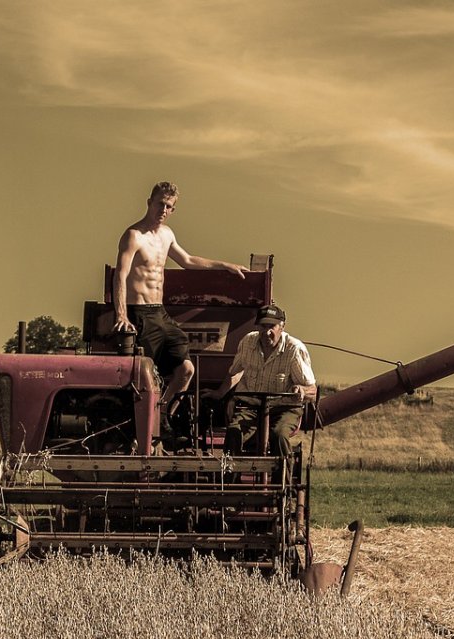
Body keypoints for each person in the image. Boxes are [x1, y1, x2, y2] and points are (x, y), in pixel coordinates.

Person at [113, 182, 246, 429]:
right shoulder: (133, 236)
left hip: (159, 312)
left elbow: (187, 260)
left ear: (173, 210)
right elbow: (120, 275)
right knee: (145, 377)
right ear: (149, 202)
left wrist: (224, 265)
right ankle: (142, 425)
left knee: (186, 369)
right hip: (138, 312)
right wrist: (122, 314)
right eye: (160, 204)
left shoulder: (167, 235)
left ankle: (161, 413)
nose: (163, 210)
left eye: (169, 206)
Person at [208, 304, 316, 459]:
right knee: (233, 433)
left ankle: (282, 480)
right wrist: (219, 393)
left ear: (282, 327)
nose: (267, 332)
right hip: (250, 407)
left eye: (271, 326)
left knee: (279, 435)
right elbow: (235, 372)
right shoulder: (248, 342)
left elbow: (312, 390)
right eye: (263, 327)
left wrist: (302, 391)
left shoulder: (294, 349)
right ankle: (229, 481)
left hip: (284, 409)